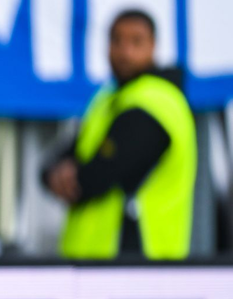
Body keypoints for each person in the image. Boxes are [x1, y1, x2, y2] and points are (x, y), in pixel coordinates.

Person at [43, 9, 196, 260]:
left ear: (153, 46)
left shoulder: (158, 103)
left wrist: (66, 176)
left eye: (136, 41)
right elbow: (63, 156)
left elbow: (98, 176)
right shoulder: (106, 99)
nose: (125, 52)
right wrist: (53, 174)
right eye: (117, 40)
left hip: (141, 260)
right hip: (90, 262)